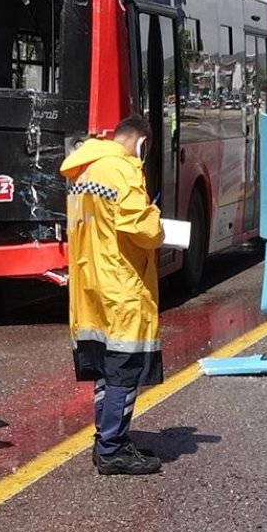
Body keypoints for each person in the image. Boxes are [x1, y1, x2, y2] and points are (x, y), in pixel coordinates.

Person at [59, 115, 165, 475]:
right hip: (121, 283)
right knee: (125, 367)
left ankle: (105, 436)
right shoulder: (123, 170)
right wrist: (157, 222)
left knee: (105, 366)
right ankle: (112, 448)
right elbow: (138, 226)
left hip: (90, 283)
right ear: (141, 143)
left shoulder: (83, 171)